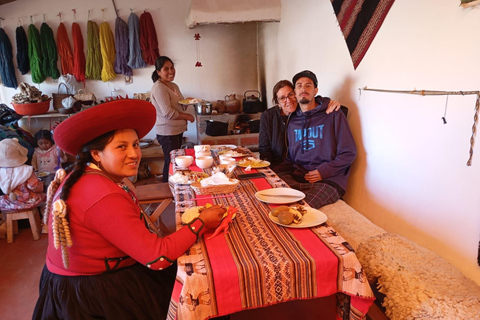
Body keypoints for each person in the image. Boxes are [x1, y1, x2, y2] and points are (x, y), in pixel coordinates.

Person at [32, 99, 226, 319]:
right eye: (121, 147)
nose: (134, 154)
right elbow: (158, 257)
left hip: (73, 281)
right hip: (95, 293)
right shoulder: (102, 195)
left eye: (135, 144)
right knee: (203, 280)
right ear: (96, 154)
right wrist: (201, 223)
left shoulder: (85, 175)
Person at [276, 70, 357, 209]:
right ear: (295, 92)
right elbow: (292, 157)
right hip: (298, 177)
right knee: (270, 193)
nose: (303, 89)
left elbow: (349, 152)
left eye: (308, 85)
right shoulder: (293, 120)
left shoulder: (333, 114)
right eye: (299, 85)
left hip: (328, 180)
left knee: (300, 209)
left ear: (315, 91)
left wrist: (323, 172)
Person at [259, 80, 341, 170]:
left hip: (298, 167)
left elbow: (314, 100)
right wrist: (269, 169)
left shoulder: (303, 112)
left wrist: (328, 102)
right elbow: (264, 149)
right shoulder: (268, 116)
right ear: (278, 103)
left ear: (296, 94)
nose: (288, 100)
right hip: (277, 166)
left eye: (290, 94)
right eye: (282, 98)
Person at [151, 56, 195, 182]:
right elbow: (168, 113)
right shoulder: (159, 87)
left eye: (172, 68)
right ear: (158, 72)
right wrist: (188, 117)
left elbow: (180, 105)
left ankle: (172, 186)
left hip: (176, 131)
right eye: (166, 69)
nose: (170, 71)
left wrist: (188, 102)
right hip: (167, 132)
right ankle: (167, 189)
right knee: (170, 162)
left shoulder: (173, 85)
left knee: (174, 161)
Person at [0, 138, 45, 211]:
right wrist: (41, 187)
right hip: (27, 203)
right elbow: (33, 186)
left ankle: (6, 220)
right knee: (46, 198)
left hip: (6, 204)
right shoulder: (26, 170)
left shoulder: (1, 171)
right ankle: (44, 220)